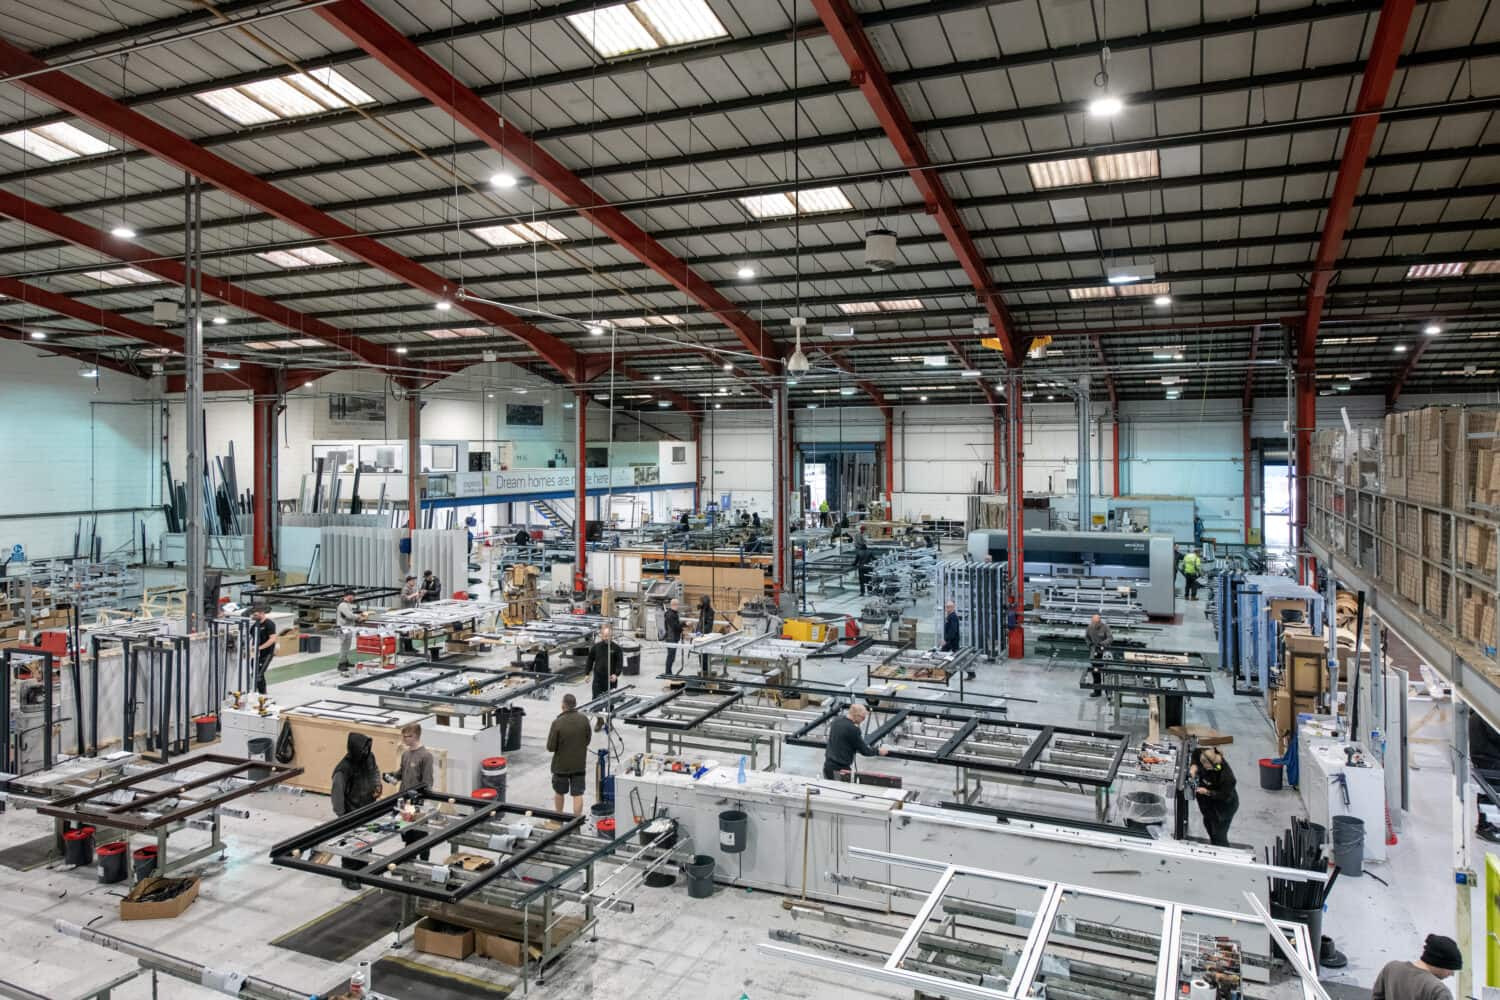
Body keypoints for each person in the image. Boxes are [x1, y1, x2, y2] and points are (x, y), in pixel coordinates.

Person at [330, 732, 382, 888]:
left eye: (367, 748)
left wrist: (377, 785)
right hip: (351, 812)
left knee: (366, 842)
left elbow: (375, 772)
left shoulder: (369, 758)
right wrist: (342, 815)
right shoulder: (344, 769)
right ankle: (349, 876)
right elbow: (337, 792)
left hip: (368, 808)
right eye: (363, 748)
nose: (366, 751)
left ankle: (364, 871)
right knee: (351, 846)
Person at [384, 723, 436, 860]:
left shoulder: (426, 756)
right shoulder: (406, 754)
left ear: (416, 736)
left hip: (416, 801)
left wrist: (419, 798)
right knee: (406, 831)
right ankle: (408, 861)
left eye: (408, 736)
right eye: (404, 736)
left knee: (420, 833)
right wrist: (391, 775)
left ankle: (424, 862)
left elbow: (428, 782)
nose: (405, 739)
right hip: (404, 800)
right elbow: (401, 773)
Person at [1371, 935, 1461, 1000]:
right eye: (1451, 968)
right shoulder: (1438, 991)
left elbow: (1376, 997)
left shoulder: (1391, 968)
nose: (1452, 974)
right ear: (1440, 963)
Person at [547, 693, 592, 816]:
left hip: (561, 765)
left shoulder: (557, 723)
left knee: (559, 792)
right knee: (578, 794)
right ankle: (576, 822)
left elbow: (550, 747)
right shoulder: (584, 719)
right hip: (579, 764)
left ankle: (558, 819)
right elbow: (588, 740)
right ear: (575, 705)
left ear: (563, 706)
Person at [823, 703, 890, 780]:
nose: (863, 720)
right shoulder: (853, 729)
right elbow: (864, 751)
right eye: (863, 718)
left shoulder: (837, 721)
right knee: (841, 789)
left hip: (828, 766)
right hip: (840, 769)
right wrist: (878, 751)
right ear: (856, 716)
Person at [1190, 745, 1239, 846]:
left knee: (1218, 835)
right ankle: (1214, 844)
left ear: (1215, 766)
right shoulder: (1206, 754)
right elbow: (1196, 753)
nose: (1203, 767)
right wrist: (1193, 766)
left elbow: (1225, 795)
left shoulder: (1227, 777)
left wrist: (1207, 792)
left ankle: (1222, 854)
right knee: (1208, 825)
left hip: (1222, 810)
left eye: (1206, 766)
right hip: (1208, 807)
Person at [588, 622, 623, 723]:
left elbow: (619, 663)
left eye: (609, 636)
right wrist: (587, 673)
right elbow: (590, 660)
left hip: (610, 679)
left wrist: (616, 674)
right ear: (602, 635)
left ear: (612, 636)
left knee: (610, 701)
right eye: (605, 636)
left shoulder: (616, 648)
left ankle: (609, 721)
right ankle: (599, 720)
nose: (607, 638)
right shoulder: (596, 647)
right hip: (598, 679)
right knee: (595, 700)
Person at [335, 591, 367, 674]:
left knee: (347, 646)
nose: (354, 599)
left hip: (348, 628)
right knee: (344, 646)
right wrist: (359, 617)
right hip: (343, 628)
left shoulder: (347, 604)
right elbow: (349, 615)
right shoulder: (343, 605)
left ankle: (345, 661)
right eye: (353, 597)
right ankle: (341, 664)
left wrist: (358, 616)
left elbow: (349, 615)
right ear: (349, 596)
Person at [251, 607, 277, 695]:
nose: (253, 616)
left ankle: (263, 694)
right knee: (254, 674)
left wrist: (260, 648)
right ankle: (258, 693)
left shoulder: (269, 624)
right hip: (256, 654)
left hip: (267, 653)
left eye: (255, 615)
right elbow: (251, 638)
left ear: (262, 613)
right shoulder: (255, 625)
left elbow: (272, 639)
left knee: (259, 674)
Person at [1085, 614, 1112, 698]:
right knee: (1096, 672)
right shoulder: (1089, 627)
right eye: (1093, 622)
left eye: (1097, 622)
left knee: (1106, 673)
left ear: (1100, 621)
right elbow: (1086, 637)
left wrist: (1102, 644)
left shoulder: (1105, 627)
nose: (1095, 624)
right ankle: (1097, 691)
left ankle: (1108, 692)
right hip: (1095, 652)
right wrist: (1090, 645)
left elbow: (1110, 638)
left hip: (1104, 653)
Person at [662, 598, 683, 676]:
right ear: (674, 605)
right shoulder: (671, 615)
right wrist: (684, 624)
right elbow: (675, 627)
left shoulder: (671, 613)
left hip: (672, 637)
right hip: (671, 638)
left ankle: (668, 672)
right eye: (678, 605)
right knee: (671, 656)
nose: (678, 606)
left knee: (671, 656)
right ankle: (668, 672)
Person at [696, 595, 715, 675]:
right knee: (700, 654)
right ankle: (703, 670)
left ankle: (706, 671)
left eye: (701, 602)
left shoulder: (710, 611)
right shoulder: (702, 610)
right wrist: (696, 630)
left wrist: (703, 632)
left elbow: (709, 625)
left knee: (705, 655)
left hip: (706, 636)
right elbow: (700, 621)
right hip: (700, 635)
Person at [853, 526, 871, 595]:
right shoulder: (869, 552)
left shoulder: (859, 553)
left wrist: (854, 564)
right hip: (867, 567)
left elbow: (856, 561)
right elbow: (860, 542)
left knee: (862, 580)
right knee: (868, 578)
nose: (864, 531)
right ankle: (869, 591)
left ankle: (862, 592)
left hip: (861, 567)